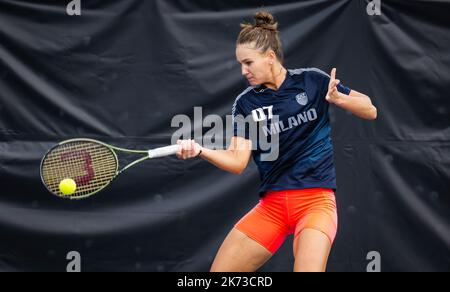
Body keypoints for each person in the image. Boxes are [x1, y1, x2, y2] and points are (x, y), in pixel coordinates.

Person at [176, 11, 377, 272]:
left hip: (315, 203)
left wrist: (341, 99)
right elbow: (237, 162)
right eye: (240, 64)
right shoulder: (246, 102)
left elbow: (370, 109)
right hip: (272, 208)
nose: (243, 71)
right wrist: (201, 150)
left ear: (270, 57)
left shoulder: (312, 81)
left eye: (248, 62)